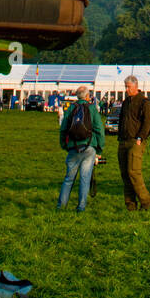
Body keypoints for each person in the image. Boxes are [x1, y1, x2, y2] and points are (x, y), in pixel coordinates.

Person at [57, 84, 104, 213]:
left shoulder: (71, 108)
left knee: (68, 179)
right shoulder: (92, 109)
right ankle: (81, 207)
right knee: (85, 179)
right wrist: (99, 149)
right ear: (88, 96)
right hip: (89, 147)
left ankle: (61, 206)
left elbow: (63, 128)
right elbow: (99, 129)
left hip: (73, 147)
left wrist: (64, 145)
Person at [117, 76, 150, 210]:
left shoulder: (144, 102)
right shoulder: (126, 102)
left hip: (135, 141)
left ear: (136, 86)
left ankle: (146, 200)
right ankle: (130, 204)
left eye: (129, 87)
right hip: (123, 140)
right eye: (125, 87)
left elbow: (147, 122)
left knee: (133, 171)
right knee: (125, 174)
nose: (126, 90)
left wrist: (140, 138)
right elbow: (122, 119)